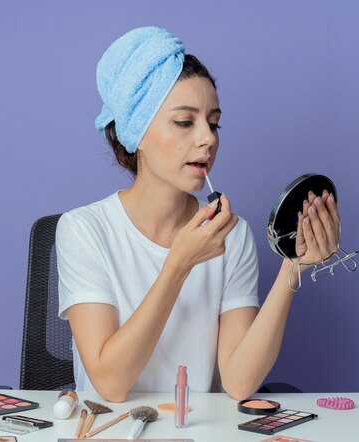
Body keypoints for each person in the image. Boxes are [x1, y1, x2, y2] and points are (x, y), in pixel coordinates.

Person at [56, 27, 340, 402]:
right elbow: (110, 383)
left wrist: (293, 268)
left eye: (214, 122)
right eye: (185, 122)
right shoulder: (83, 231)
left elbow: (239, 382)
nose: (208, 138)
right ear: (136, 131)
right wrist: (178, 266)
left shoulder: (230, 235)